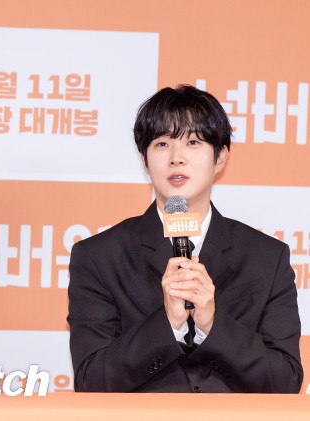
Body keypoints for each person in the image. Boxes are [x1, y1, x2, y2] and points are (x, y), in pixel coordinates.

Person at [67, 85, 303, 393]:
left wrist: (211, 324)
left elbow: (285, 382)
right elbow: (90, 381)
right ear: (144, 160)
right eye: (162, 143)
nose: (176, 158)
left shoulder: (267, 257)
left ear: (220, 157)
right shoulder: (99, 257)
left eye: (193, 142)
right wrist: (167, 323)